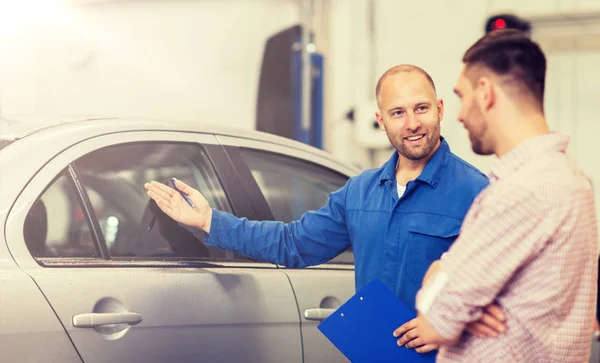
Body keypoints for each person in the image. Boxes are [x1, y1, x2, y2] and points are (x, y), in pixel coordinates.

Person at [145, 64, 496, 353]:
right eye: (398, 113)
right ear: (381, 120)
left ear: (439, 109)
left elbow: (506, 288)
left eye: (421, 108)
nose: (412, 123)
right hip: (376, 354)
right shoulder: (359, 192)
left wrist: (452, 324)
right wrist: (209, 221)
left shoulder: (477, 192)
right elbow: (292, 243)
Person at [394, 29, 598, 362]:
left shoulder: (522, 190)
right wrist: (467, 304)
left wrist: (440, 278)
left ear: (485, 93)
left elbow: (437, 314)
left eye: (461, 96)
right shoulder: (570, 178)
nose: (458, 115)